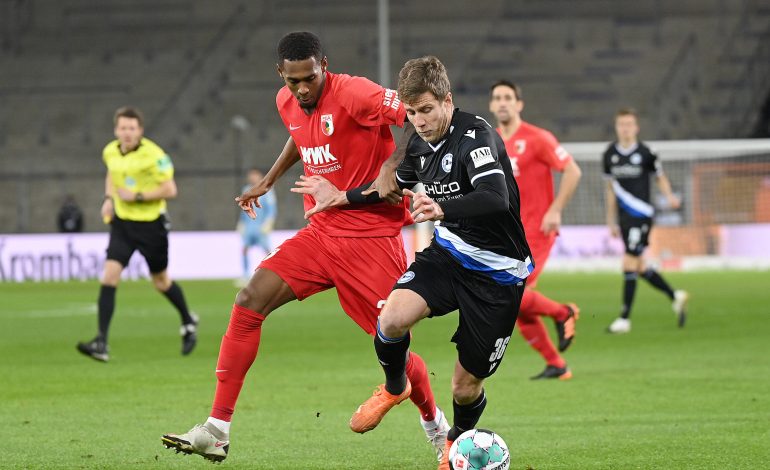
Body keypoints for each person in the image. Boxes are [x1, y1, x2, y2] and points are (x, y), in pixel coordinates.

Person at [161, 32, 446, 463]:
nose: (302, 89)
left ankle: (437, 427)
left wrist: (391, 165)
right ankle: (217, 429)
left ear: (323, 66)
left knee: (392, 342)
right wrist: (269, 180)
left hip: (371, 236)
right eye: (293, 81)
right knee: (249, 299)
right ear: (281, 74)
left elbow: (412, 118)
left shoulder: (355, 92)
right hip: (321, 232)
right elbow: (301, 135)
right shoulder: (286, 100)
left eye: (310, 78)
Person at [293, 56, 533, 470]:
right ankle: (395, 386)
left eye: (426, 110)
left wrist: (442, 207)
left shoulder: (476, 137)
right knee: (391, 319)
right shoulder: (420, 146)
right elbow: (390, 188)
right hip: (449, 255)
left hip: (499, 273)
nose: (418, 122)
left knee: (464, 387)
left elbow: (496, 198)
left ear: (447, 101)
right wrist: (341, 197)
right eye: (411, 113)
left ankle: (454, 445)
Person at [76, 106, 198, 362]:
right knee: (109, 277)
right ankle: (101, 342)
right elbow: (113, 172)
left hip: (151, 226)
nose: (127, 132)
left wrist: (137, 196)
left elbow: (170, 189)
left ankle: (188, 321)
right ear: (116, 130)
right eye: (123, 128)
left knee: (161, 282)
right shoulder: (110, 151)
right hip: (122, 225)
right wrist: (108, 199)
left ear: (140, 130)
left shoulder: (155, 155)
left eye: (132, 128)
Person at [488, 80, 582, 380]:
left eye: (508, 97)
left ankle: (563, 313)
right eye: (497, 98)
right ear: (492, 105)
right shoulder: (491, 141)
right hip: (508, 233)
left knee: (511, 293)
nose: (502, 102)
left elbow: (572, 170)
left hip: (537, 229)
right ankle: (557, 364)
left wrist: (555, 209)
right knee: (516, 302)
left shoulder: (538, 138)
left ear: (519, 104)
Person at [603, 108, 689, 334]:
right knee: (640, 267)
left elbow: (660, 177)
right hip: (624, 218)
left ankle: (624, 319)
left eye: (629, 124)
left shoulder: (647, 153)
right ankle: (675, 296)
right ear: (616, 127)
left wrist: (669, 196)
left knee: (628, 263)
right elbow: (610, 189)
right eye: (622, 124)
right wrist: (610, 220)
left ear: (636, 127)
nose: (625, 128)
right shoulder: (609, 154)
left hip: (641, 215)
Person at [237, 168, 277, 282]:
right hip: (249, 227)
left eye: (255, 175)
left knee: (267, 251)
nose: (252, 178)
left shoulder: (267, 190)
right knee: (244, 249)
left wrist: (269, 223)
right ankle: (245, 275)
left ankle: (273, 273)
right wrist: (241, 223)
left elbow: (272, 209)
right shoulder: (246, 190)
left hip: (260, 227)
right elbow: (244, 209)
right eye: (251, 175)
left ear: (260, 177)